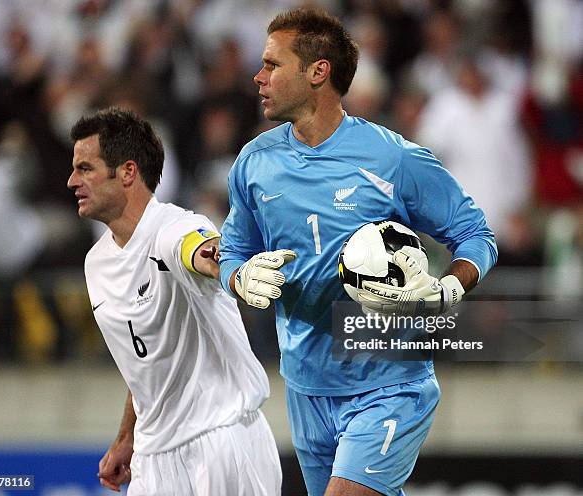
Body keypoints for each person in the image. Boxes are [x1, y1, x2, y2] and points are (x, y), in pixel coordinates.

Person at [218, 9, 497, 496]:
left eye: (272, 65)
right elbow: (233, 252)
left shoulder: (393, 158)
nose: (257, 77)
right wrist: (241, 279)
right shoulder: (254, 163)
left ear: (317, 72)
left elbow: (475, 233)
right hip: (306, 384)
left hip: (391, 382)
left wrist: (449, 286)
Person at [67, 107, 281, 495]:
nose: (72, 181)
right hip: (152, 458)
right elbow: (144, 361)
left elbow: (200, 250)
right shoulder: (96, 263)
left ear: (128, 171)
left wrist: (234, 269)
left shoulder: (174, 228)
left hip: (223, 442)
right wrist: (127, 437)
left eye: (85, 169)